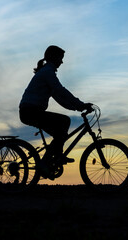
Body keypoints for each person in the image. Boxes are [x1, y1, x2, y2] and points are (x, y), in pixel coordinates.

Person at [19, 45, 92, 179]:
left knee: (61, 131)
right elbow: (60, 90)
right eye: (60, 58)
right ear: (54, 58)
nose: (62, 62)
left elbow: (59, 97)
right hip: (31, 111)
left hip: (29, 111)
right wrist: (80, 104)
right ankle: (49, 160)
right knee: (64, 122)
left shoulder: (47, 72)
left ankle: (53, 157)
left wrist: (76, 107)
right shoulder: (47, 73)